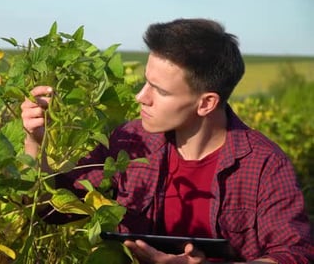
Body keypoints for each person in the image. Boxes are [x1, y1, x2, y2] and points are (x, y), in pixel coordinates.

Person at [20, 18, 314, 264]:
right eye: (146, 81)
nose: (141, 97)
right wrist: (34, 142)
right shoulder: (131, 140)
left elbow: (296, 253)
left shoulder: (263, 164)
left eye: (159, 91)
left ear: (206, 103)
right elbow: (54, 209)